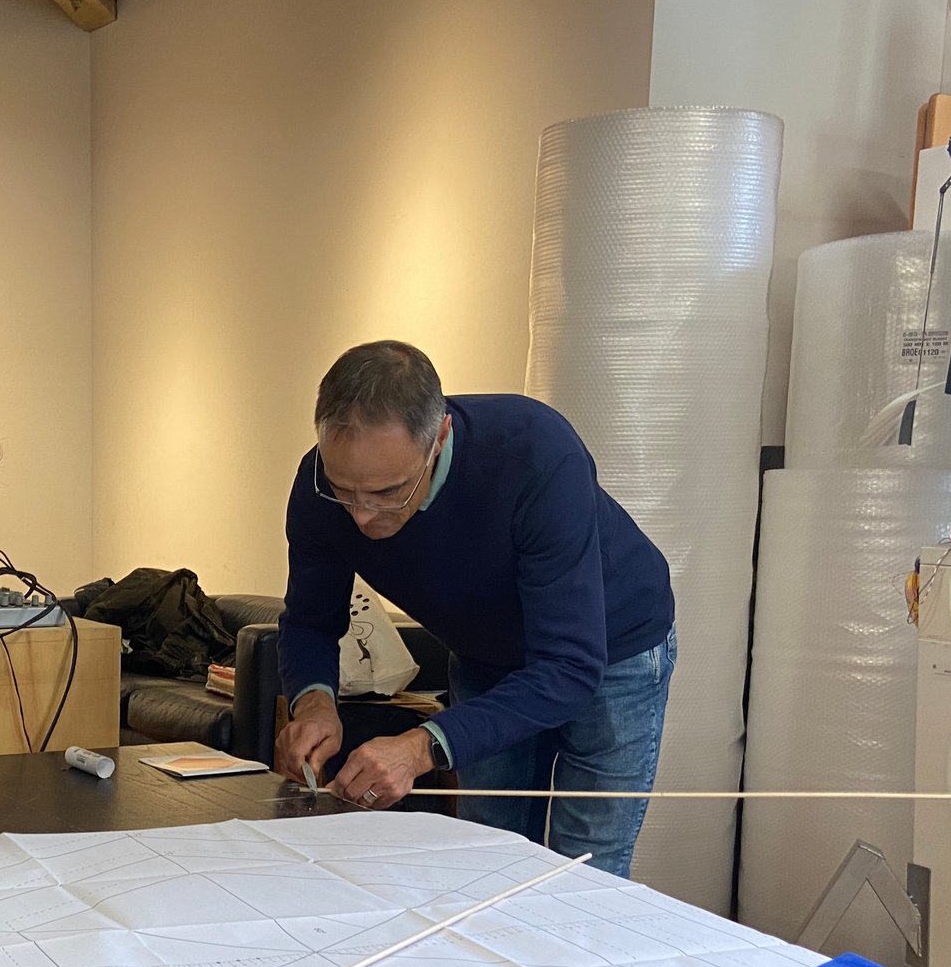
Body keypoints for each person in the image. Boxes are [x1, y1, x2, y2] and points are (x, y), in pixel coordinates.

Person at [275, 341, 677, 877]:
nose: (362, 516)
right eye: (344, 491)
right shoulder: (317, 486)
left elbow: (569, 666)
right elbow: (310, 618)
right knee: (487, 855)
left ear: (440, 438)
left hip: (612, 648)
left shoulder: (535, 454)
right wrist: (315, 706)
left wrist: (420, 748)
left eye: (388, 492)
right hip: (485, 654)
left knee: (584, 869)